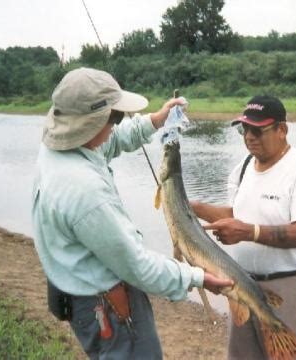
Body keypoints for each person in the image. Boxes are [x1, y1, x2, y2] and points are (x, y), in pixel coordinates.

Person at [32, 67, 232, 359]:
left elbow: (106, 142)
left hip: (80, 296)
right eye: (114, 117)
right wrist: (196, 277)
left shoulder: (59, 151)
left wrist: (154, 121)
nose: (116, 124)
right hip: (110, 309)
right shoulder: (85, 192)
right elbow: (138, 267)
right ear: (91, 121)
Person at [191, 95, 296, 360]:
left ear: (282, 130)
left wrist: (248, 232)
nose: (249, 137)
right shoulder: (242, 168)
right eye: (244, 130)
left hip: (288, 288)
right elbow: (235, 213)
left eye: (258, 130)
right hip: (242, 284)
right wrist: (189, 205)